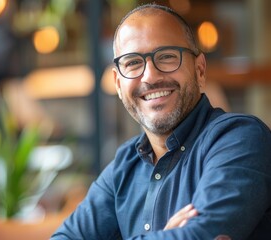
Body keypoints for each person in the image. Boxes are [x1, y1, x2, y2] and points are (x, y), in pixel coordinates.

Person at [51, 3, 271, 240]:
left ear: (199, 70)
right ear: (117, 83)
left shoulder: (241, 139)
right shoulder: (125, 164)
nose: (150, 76)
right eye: (133, 62)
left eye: (167, 57)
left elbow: (201, 235)